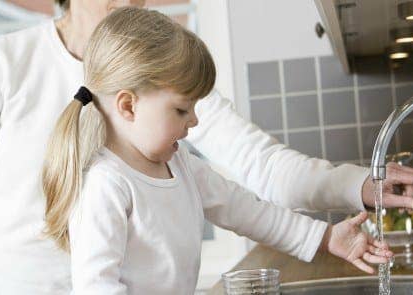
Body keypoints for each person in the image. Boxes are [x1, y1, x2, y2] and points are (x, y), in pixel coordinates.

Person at [0, 0, 413, 294]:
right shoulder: (2, 63)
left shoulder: (166, 92)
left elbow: (255, 180)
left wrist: (357, 187)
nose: (135, 4)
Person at [43, 7, 392, 293]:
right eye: (181, 110)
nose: (193, 120)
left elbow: (246, 210)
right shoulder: (106, 185)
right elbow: (96, 288)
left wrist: (327, 237)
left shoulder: (180, 165)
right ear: (128, 106)